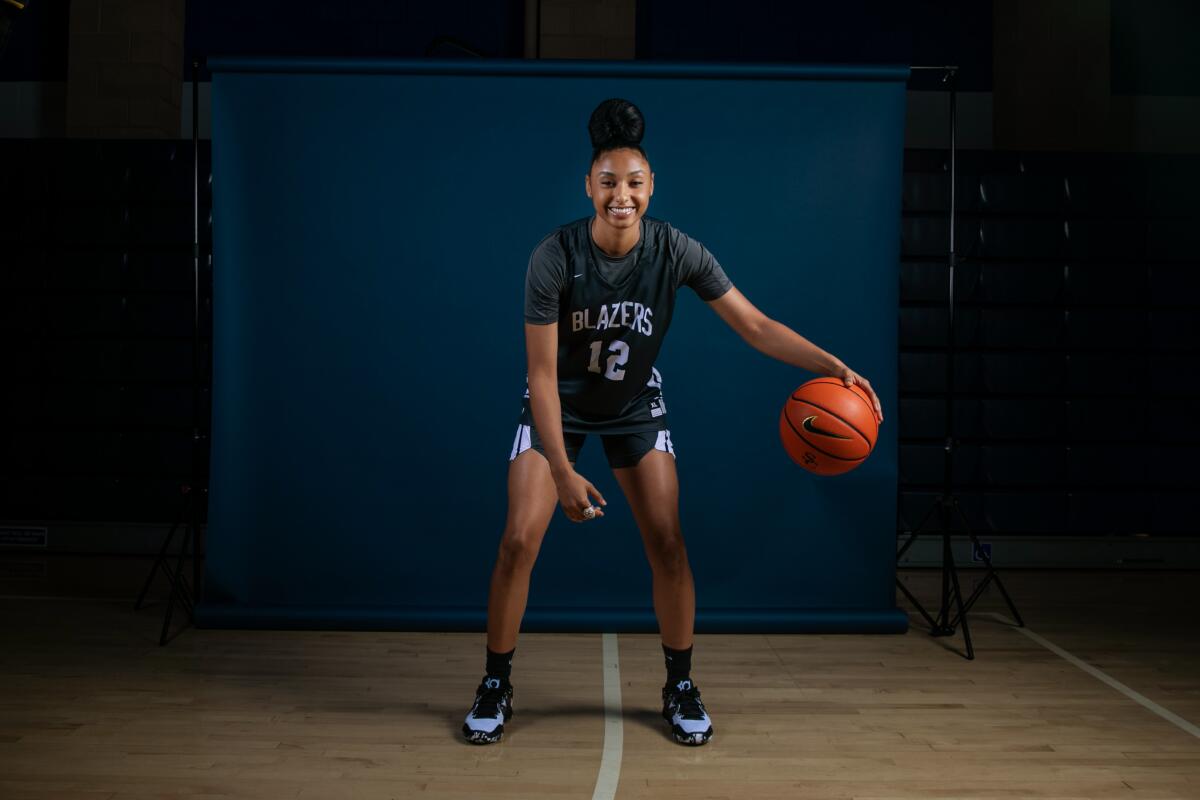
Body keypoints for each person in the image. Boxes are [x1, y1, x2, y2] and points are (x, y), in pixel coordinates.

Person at [462, 98, 883, 746]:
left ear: (651, 185)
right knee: (518, 540)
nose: (621, 196)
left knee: (669, 544)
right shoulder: (554, 256)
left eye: (634, 183)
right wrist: (565, 470)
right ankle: (495, 682)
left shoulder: (677, 251)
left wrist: (833, 365)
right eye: (608, 182)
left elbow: (756, 325)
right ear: (589, 187)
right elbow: (542, 378)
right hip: (561, 407)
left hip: (634, 404)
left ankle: (680, 684)